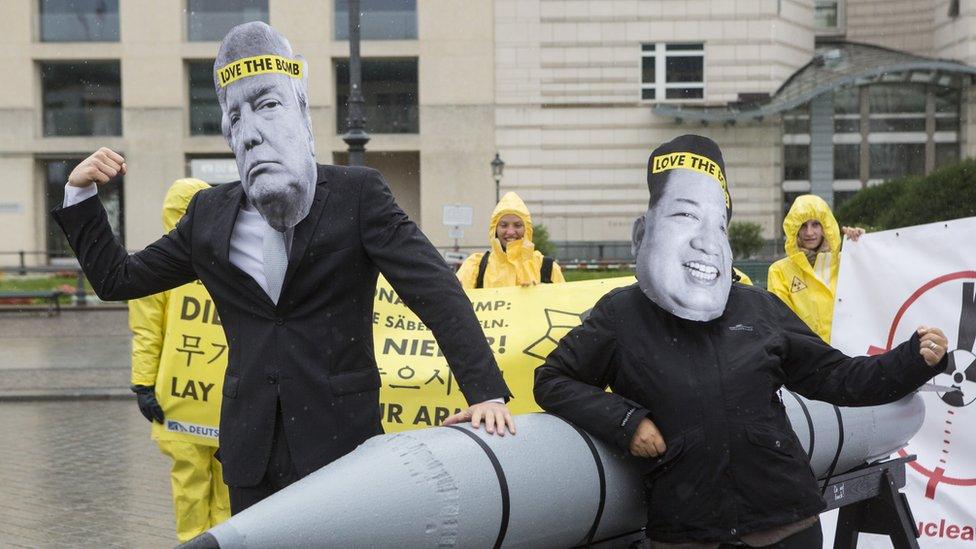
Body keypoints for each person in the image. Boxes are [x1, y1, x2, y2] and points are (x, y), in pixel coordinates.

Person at [53, 22, 514, 515]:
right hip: (251, 453)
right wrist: (79, 193)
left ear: (301, 112)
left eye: (268, 105)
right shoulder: (207, 214)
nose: (250, 133)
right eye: (234, 118)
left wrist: (486, 393)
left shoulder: (359, 196)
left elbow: (435, 291)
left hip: (342, 446)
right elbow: (118, 279)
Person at [534, 134, 948, 548]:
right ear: (643, 232)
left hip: (786, 523)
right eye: (684, 216)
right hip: (688, 530)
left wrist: (914, 360)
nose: (704, 240)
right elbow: (552, 380)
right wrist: (626, 422)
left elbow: (838, 377)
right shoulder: (620, 315)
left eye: (718, 223)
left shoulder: (758, 308)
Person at [128, 178, 230, 542]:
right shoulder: (230, 258)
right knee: (226, 478)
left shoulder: (155, 264)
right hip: (223, 393)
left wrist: (144, 383)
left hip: (182, 394)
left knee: (192, 479)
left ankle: (196, 541)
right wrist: (142, 384)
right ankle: (218, 540)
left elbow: (146, 333)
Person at [767, 195, 864, 343]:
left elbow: (872, 287)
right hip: (806, 359)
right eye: (803, 225)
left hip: (848, 355)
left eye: (815, 225)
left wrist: (861, 245)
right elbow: (781, 323)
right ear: (795, 230)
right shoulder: (779, 271)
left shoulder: (845, 263)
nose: (809, 232)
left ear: (826, 227)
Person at [457, 191, 565, 288]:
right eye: (504, 225)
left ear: (527, 229)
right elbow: (453, 304)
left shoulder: (548, 268)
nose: (510, 232)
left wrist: (541, 294)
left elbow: (566, 305)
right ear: (494, 229)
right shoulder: (475, 266)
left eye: (517, 225)